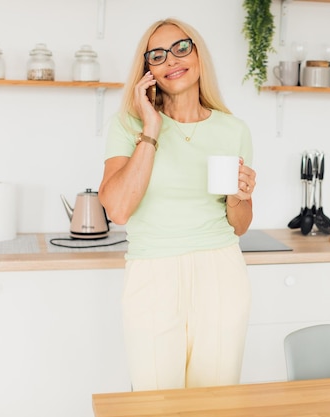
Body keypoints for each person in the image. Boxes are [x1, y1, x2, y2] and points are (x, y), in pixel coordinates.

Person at [98, 18, 256, 391]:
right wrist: (151, 129)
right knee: (155, 402)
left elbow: (240, 224)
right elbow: (118, 209)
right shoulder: (128, 125)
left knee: (215, 403)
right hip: (152, 273)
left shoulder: (233, 130)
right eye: (157, 55)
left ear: (198, 54)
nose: (171, 60)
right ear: (148, 70)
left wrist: (240, 197)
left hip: (221, 271)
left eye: (181, 47)